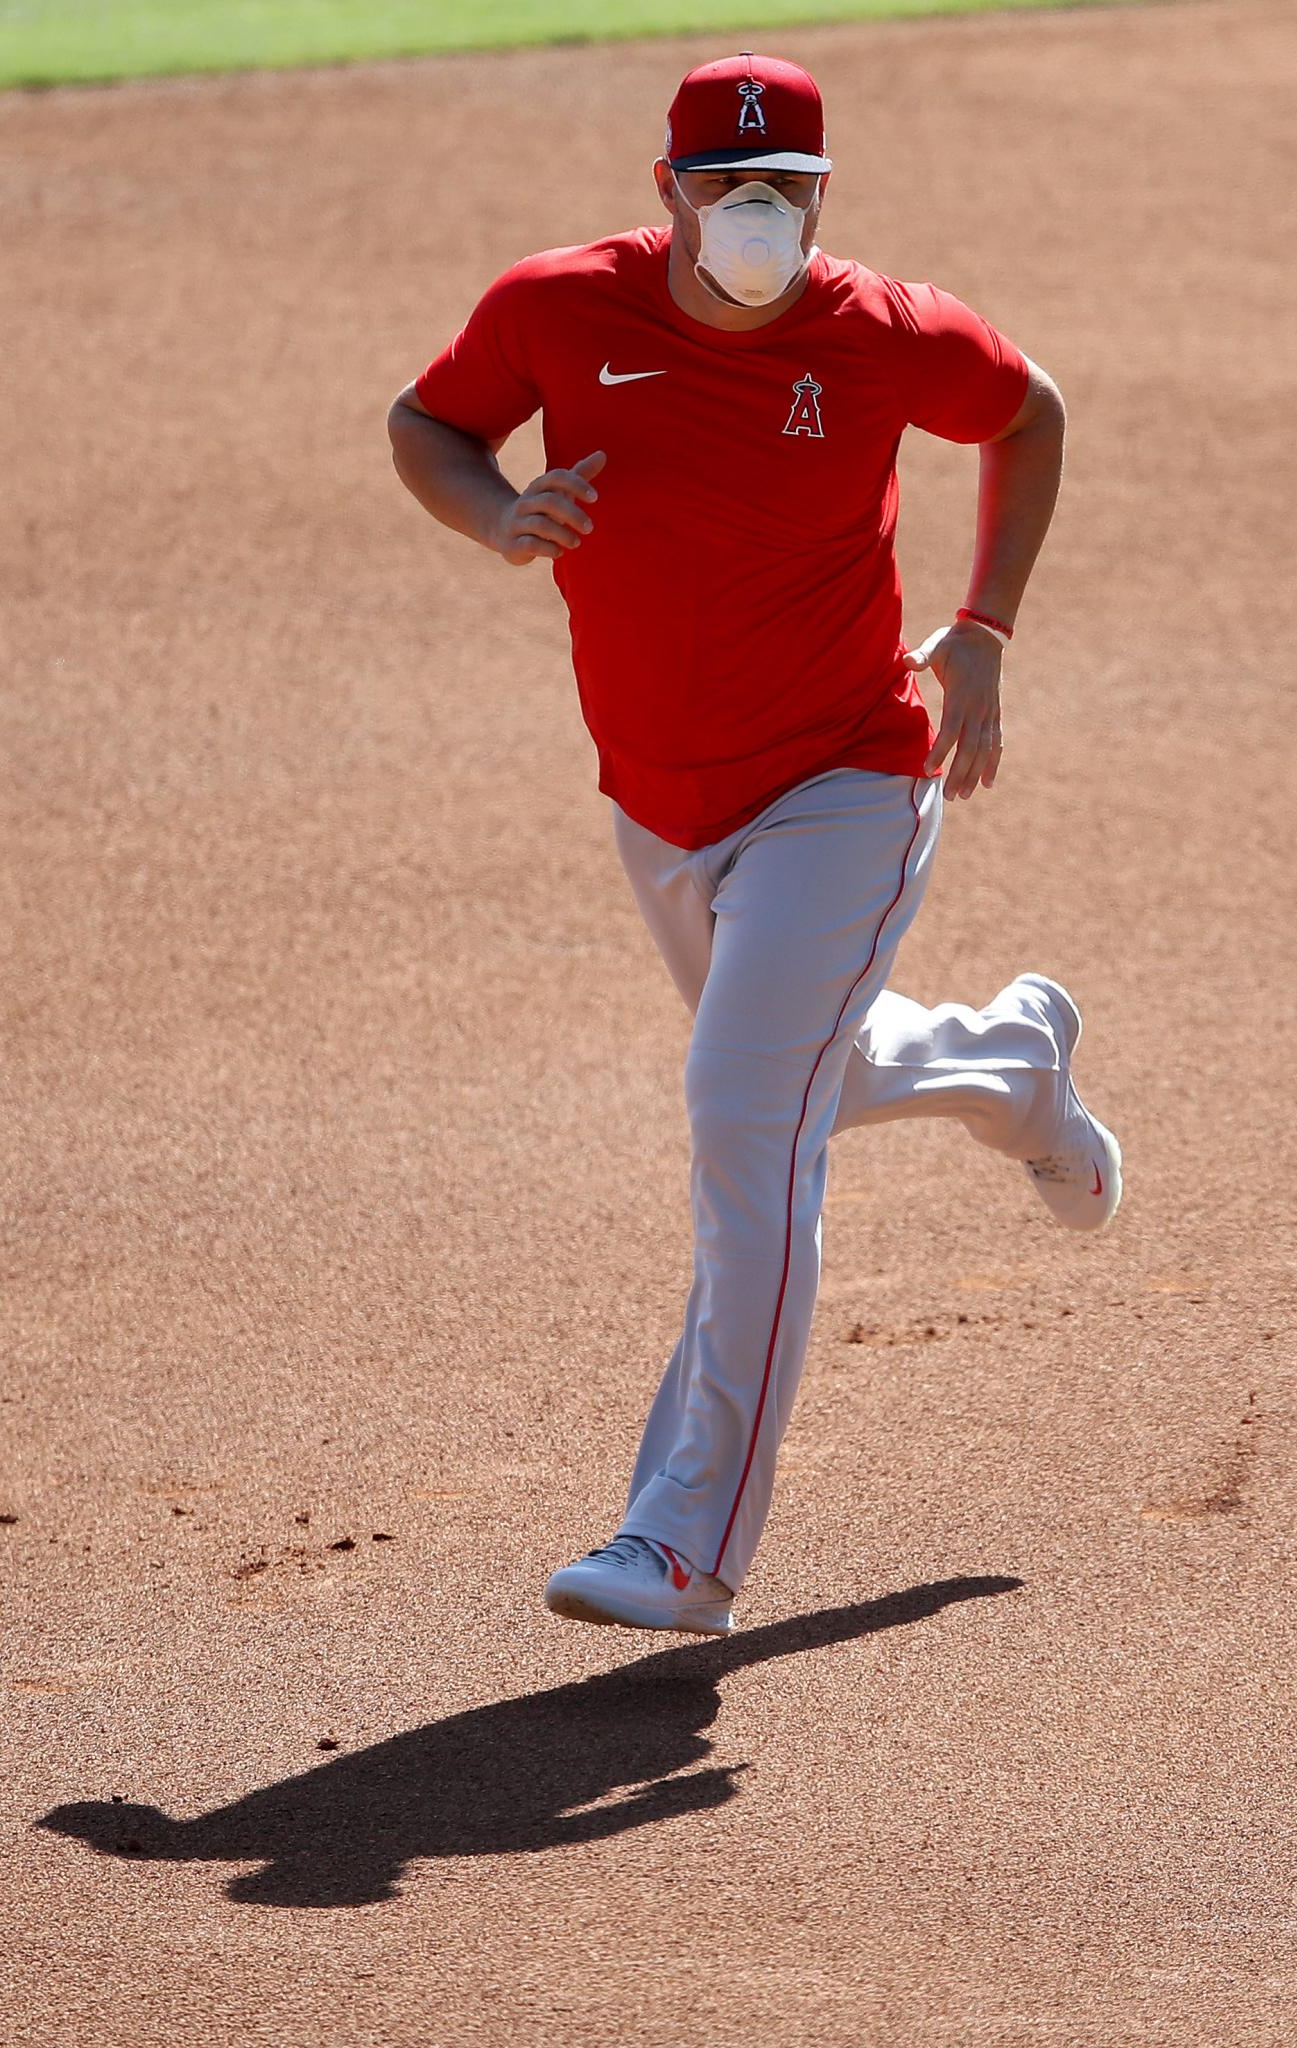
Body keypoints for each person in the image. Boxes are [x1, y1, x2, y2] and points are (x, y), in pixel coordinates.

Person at [386, 52, 1118, 1638]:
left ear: (821, 199)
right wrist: (496, 510)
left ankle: (685, 1540)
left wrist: (984, 626)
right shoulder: (556, 309)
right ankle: (1009, 1072)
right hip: (657, 800)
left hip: (847, 781)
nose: (755, 213)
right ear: (668, 194)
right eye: (725, 186)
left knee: (741, 1109)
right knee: (798, 1075)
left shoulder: (880, 333)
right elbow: (427, 421)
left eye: (783, 187)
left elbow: (1030, 411)